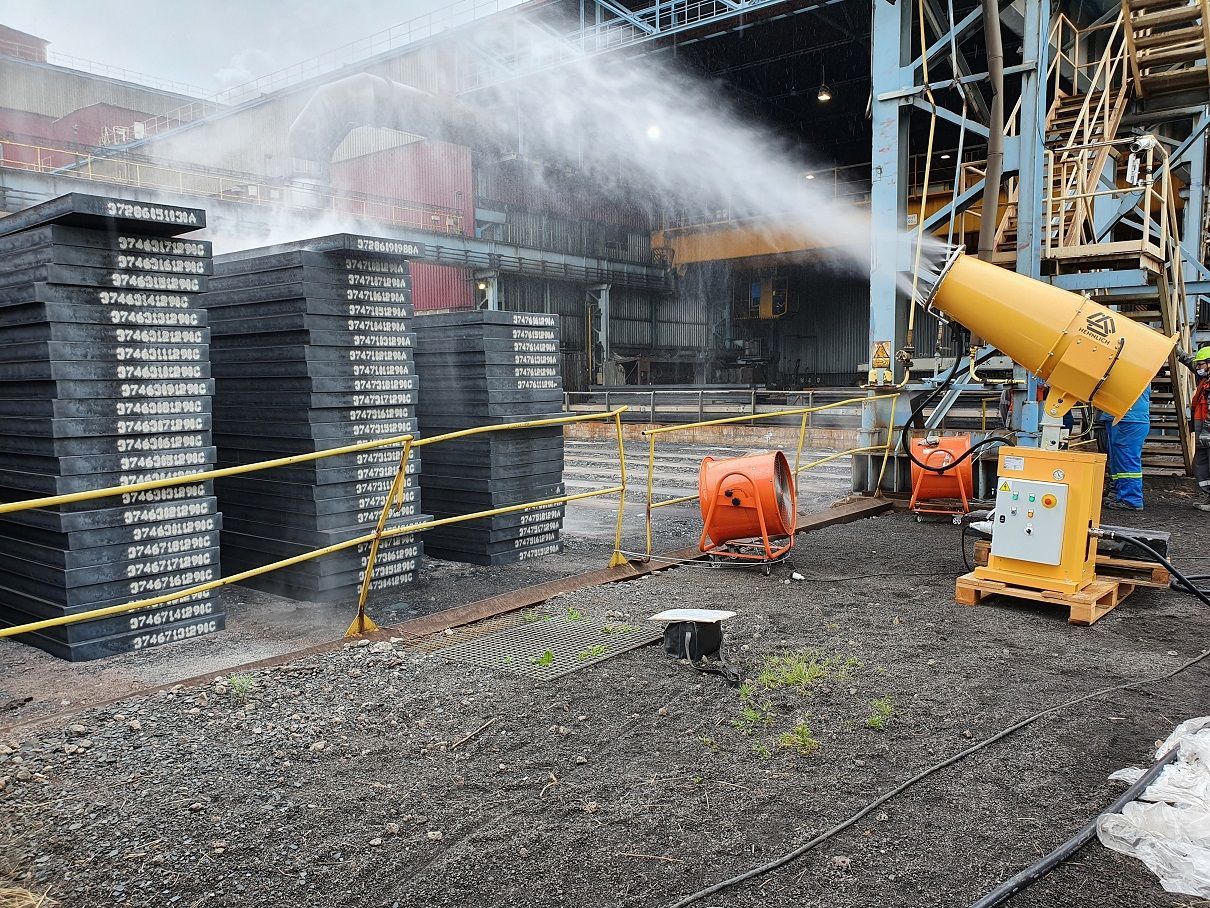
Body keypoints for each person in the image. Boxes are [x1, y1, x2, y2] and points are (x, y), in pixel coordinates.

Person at [1100, 385, 1150, 511]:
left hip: (1127, 418)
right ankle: (1121, 494)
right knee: (1119, 462)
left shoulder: (1133, 370)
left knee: (1127, 462)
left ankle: (1131, 499)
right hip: (1122, 417)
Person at [1177, 345, 1210, 512]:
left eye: (1201, 364)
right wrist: (1177, 351)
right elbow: (1190, 362)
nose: (1198, 368)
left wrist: (1206, 433)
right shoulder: (1204, 379)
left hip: (1207, 432)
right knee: (1201, 464)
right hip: (1203, 431)